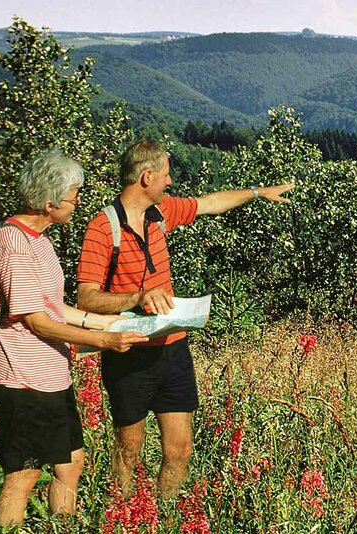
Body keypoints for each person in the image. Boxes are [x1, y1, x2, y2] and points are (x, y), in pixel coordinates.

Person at [77, 138, 293, 498]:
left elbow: (209, 204)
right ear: (146, 177)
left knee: (180, 449)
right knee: (128, 450)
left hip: (173, 350)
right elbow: (86, 297)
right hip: (129, 353)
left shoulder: (161, 213)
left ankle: (164, 514)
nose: (170, 181)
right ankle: (121, 515)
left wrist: (258, 192)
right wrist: (137, 297)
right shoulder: (103, 228)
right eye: (165, 174)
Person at [0, 149, 149, 526]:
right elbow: (37, 321)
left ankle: (62, 527)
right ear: (49, 202)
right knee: (24, 474)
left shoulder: (39, 240)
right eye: (73, 196)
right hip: (22, 378)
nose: (77, 202)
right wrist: (105, 342)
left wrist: (104, 322)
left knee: (71, 463)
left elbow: (52, 306)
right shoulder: (13, 244)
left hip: (51, 377)